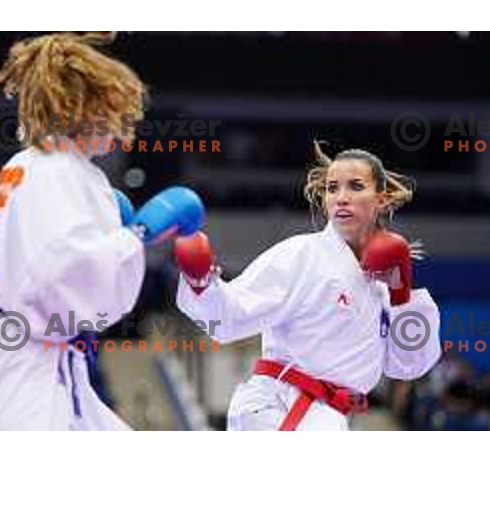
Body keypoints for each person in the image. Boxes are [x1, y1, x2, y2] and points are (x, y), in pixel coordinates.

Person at [0, 32, 203, 430]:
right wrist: (136, 235)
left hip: (27, 344)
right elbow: (66, 266)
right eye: (115, 112)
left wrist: (113, 232)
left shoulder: (35, 163)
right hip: (23, 349)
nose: (122, 128)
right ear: (83, 108)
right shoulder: (61, 170)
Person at [175, 141, 441, 431]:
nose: (341, 197)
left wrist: (401, 294)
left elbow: (408, 366)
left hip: (325, 416)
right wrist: (199, 280)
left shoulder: (381, 284)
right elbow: (227, 321)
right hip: (282, 409)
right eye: (332, 188)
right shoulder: (302, 255)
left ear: (382, 198)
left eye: (355, 186)